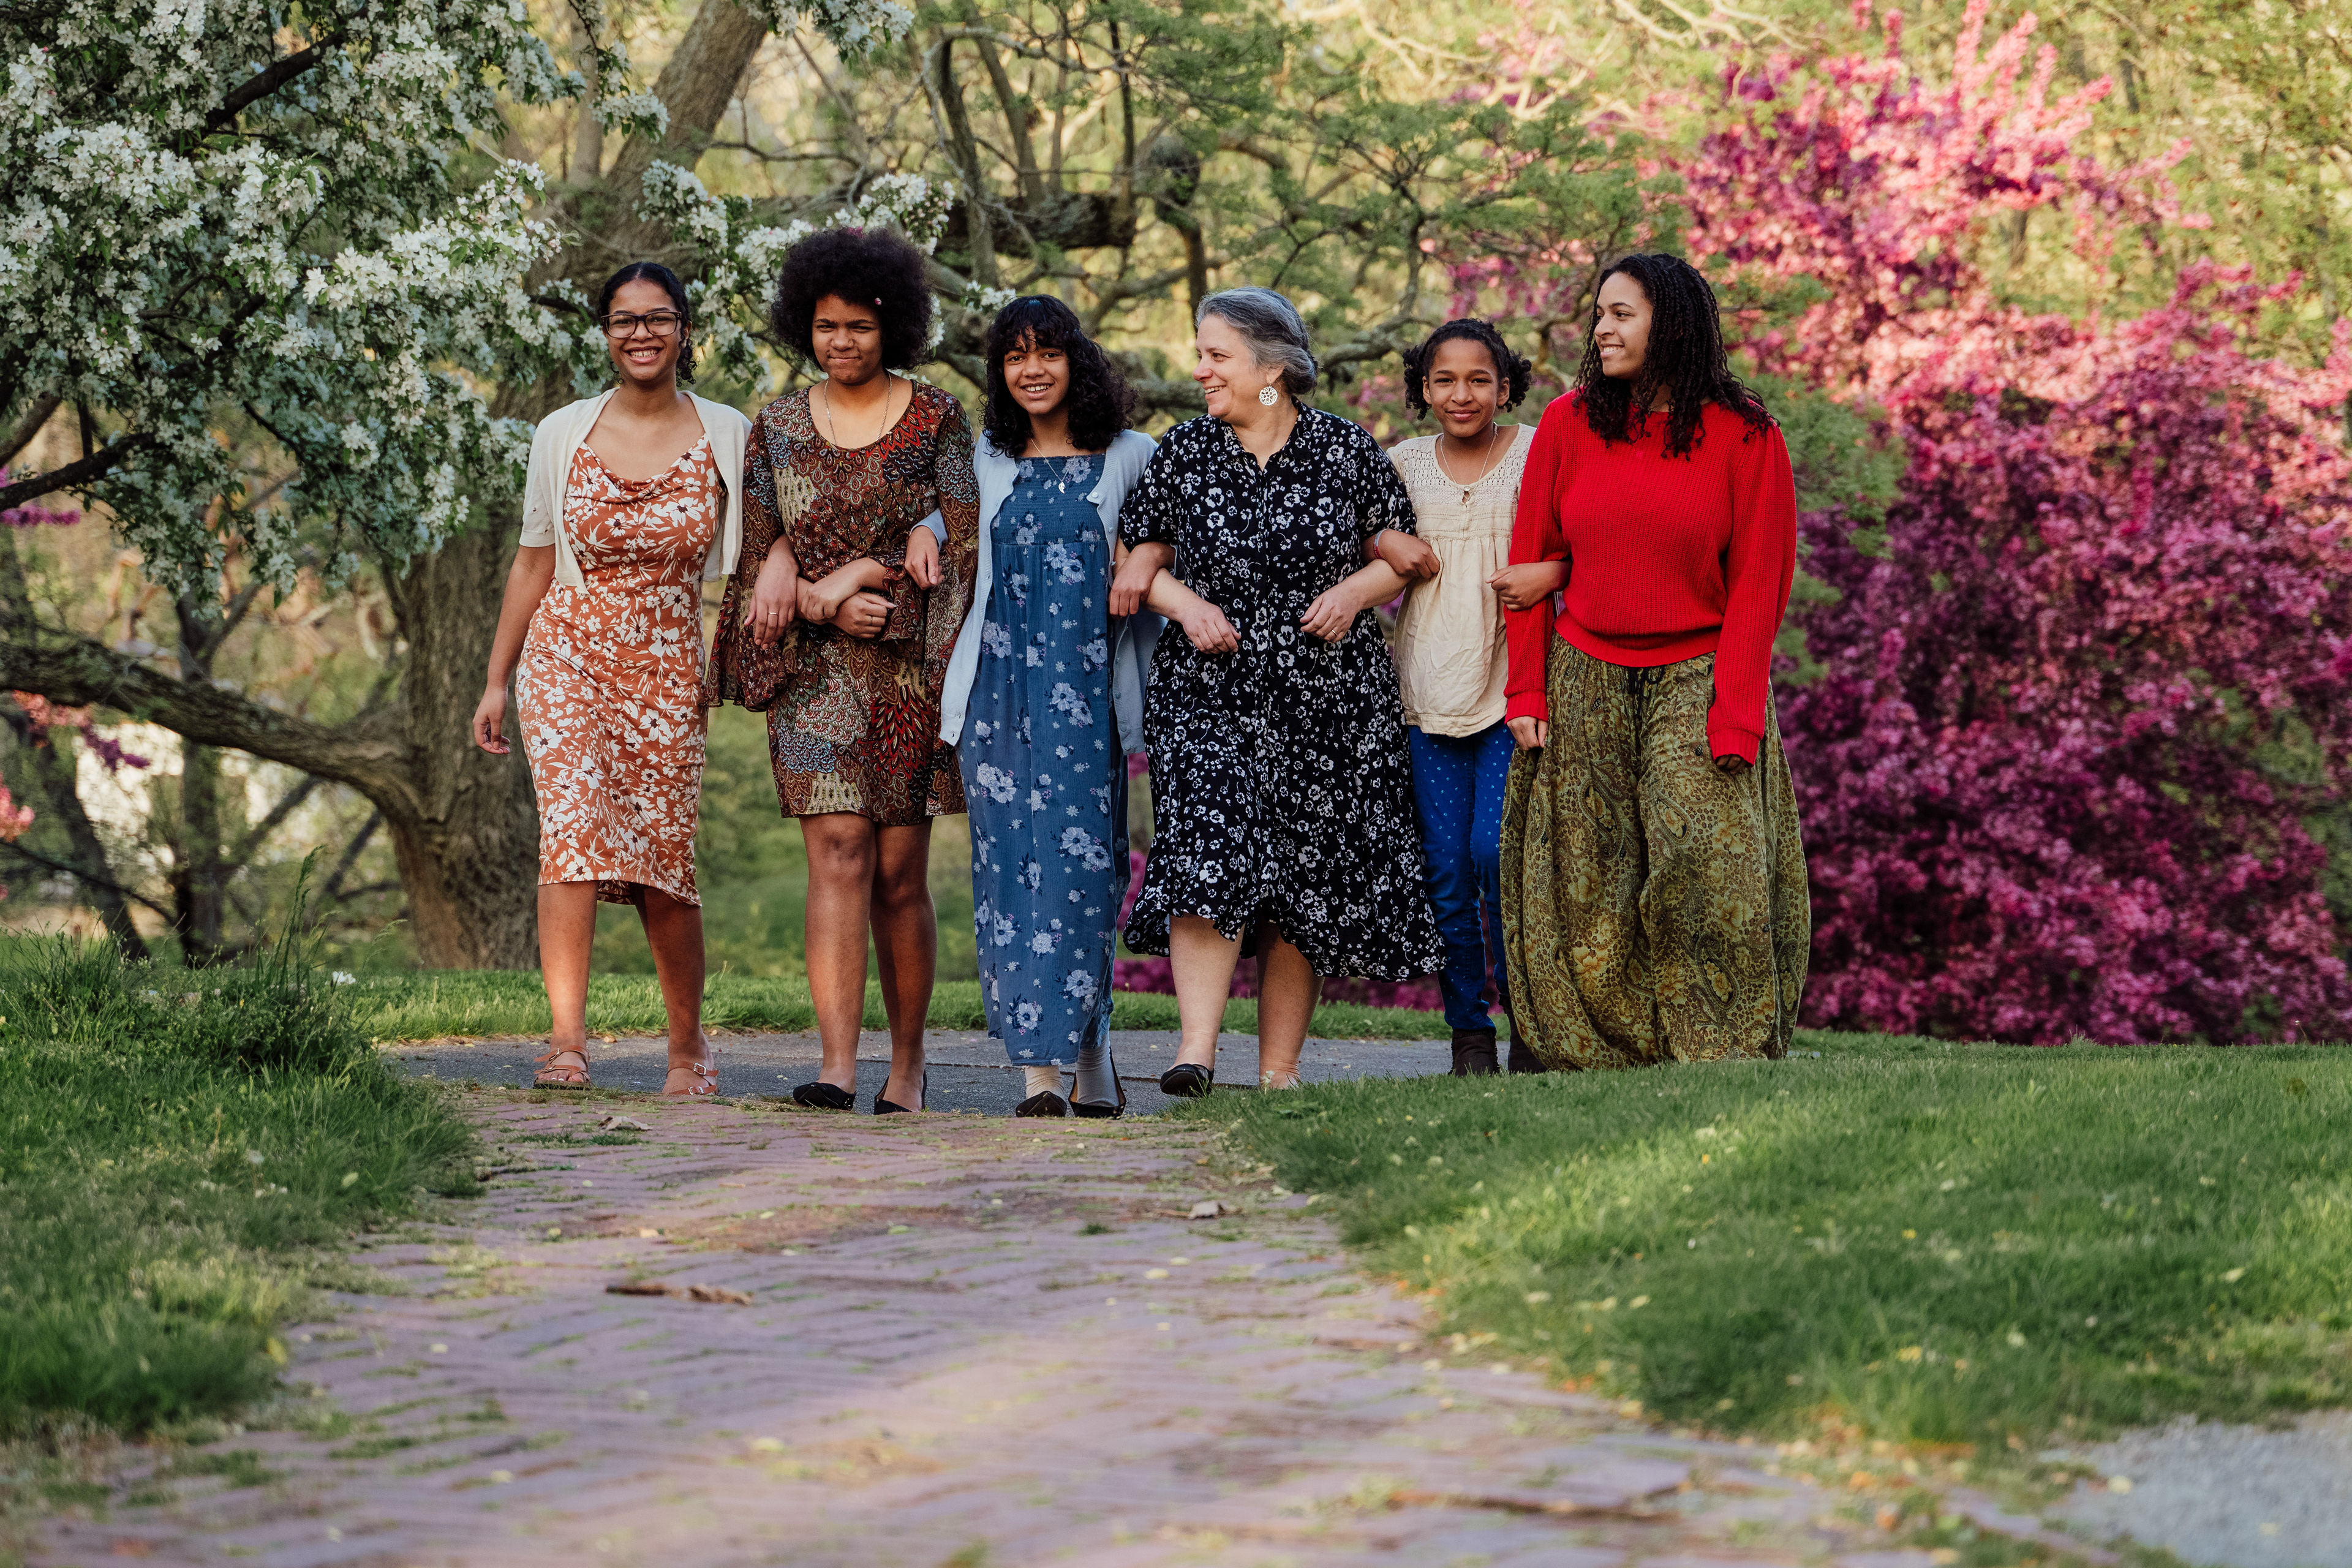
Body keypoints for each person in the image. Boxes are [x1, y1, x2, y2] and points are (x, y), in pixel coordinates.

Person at [1112, 286, 1441, 1096]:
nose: (1200, 371)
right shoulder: (1183, 452)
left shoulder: (1346, 450)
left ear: (1272, 369)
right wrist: (1185, 605)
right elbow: (1137, 568)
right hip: (1208, 694)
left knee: (1305, 874)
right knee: (1204, 858)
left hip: (1327, 701)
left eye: (1217, 355)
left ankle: (1279, 1072)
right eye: (1202, 354)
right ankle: (1194, 1051)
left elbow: (1399, 552)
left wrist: (1355, 595)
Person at [1498, 252, 1810, 1069]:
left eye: (1621, 314)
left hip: (1697, 669)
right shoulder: (1569, 423)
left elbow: (1759, 584)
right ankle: (1613, 1047)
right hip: (1585, 669)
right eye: (1599, 314)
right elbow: (1531, 566)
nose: (1602, 329)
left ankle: (1721, 1047)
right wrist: (1526, 687)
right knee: (1593, 876)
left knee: (1701, 855)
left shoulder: (1747, 433)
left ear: (1669, 322)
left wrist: (1736, 712)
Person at [705, 227, 980, 1114]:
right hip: (816, 676)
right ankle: (835, 1065)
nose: (842, 342)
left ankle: (906, 1069)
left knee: (899, 874)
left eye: (859, 327)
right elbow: (756, 553)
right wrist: (809, 582)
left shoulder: (938, 415)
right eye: (826, 327)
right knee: (836, 853)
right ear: (804, 327)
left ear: (891, 326)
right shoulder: (777, 426)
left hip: (910, 669)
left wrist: (886, 584)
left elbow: (964, 539)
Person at [472, 262, 750, 1096]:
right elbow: (532, 562)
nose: (640, 333)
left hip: (668, 660)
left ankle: (688, 1047)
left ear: (684, 330)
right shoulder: (560, 431)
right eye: (624, 320)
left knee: (664, 856)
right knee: (573, 833)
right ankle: (565, 1043)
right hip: (566, 649)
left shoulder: (730, 432)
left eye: (657, 318)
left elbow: (760, 557)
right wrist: (496, 680)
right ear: (605, 333)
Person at [939, 297, 1158, 1118]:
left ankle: (1092, 1051)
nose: (1032, 370)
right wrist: (928, 531)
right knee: (1012, 882)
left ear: (1078, 361)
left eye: (1049, 353)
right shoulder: (987, 457)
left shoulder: (1130, 456)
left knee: (1083, 878)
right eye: (1015, 356)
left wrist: (1148, 554)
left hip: (1083, 702)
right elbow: (948, 517)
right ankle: (1039, 1076)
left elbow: (1164, 545)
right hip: (998, 700)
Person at [1376, 319, 1541, 1077]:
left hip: (1515, 695)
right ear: (1423, 391)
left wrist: (1556, 573)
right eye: (1444, 380)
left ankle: (1532, 1023)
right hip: (1425, 695)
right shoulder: (1402, 464)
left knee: (1497, 856)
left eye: (1480, 379)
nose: (1462, 394)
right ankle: (1469, 1033)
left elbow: (1580, 543)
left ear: (1505, 386)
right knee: (1445, 870)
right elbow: (1356, 537)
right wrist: (1384, 543)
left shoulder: (1538, 452)